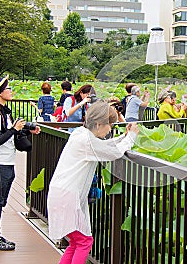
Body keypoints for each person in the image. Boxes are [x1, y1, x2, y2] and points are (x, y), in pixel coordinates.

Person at [47, 100, 139, 264]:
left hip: (62, 193)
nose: (110, 128)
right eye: (109, 124)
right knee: (84, 242)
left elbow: (104, 146)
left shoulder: (81, 134)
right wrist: (131, 137)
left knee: (76, 242)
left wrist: (123, 137)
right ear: (98, 124)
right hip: (67, 196)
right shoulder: (86, 141)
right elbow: (114, 153)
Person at [0, 73, 41, 251]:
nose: (11, 90)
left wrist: (25, 129)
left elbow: (8, 135)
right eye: (8, 88)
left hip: (6, 163)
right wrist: (13, 129)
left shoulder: (3, 113)